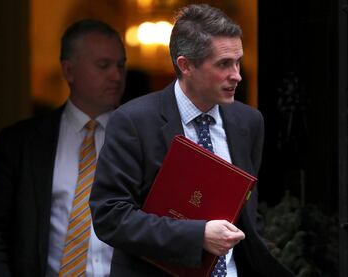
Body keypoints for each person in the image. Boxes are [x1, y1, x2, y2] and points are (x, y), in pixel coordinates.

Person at [90, 4, 294, 277]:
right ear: (186, 65)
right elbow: (110, 216)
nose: (237, 75)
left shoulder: (249, 122)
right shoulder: (132, 122)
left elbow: (248, 215)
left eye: (238, 61)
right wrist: (197, 236)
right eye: (224, 64)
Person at [0, 19, 126, 277]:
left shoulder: (139, 139)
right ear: (69, 71)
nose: (116, 75)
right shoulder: (22, 142)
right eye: (103, 65)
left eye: (121, 65)